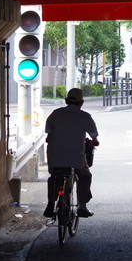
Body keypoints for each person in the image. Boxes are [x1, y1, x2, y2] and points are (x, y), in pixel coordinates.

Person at [43, 87, 99, 218]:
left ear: (66, 100)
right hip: (76, 159)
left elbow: (48, 135)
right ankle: (82, 207)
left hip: (55, 158)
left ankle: (50, 204)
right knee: (85, 176)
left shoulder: (55, 114)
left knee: (54, 177)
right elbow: (94, 137)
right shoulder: (85, 117)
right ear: (82, 102)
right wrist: (94, 142)